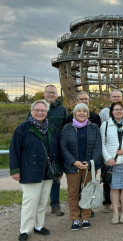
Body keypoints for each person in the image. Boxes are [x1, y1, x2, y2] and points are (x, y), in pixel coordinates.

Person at [10, 100, 62, 241]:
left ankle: (39, 225)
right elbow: (14, 150)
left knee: (43, 201)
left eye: (43, 110)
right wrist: (15, 170)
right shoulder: (23, 128)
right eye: (37, 110)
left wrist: (59, 171)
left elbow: (57, 150)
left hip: (47, 171)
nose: (40, 113)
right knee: (30, 201)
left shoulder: (52, 129)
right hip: (29, 170)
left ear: (47, 112)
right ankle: (25, 229)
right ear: (32, 111)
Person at [61, 103, 102, 231]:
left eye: (84, 111)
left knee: (88, 192)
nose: (81, 113)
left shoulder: (94, 127)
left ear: (87, 114)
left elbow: (98, 146)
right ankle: (75, 218)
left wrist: (90, 163)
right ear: (74, 113)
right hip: (73, 166)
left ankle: (85, 217)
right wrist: (74, 162)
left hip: (89, 166)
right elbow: (63, 147)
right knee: (73, 193)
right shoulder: (67, 128)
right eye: (79, 111)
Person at [27, 85, 67, 216]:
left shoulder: (62, 109)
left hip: (54, 147)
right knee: (38, 177)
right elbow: (28, 125)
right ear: (44, 94)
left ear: (56, 95)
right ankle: (38, 205)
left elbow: (65, 127)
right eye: (49, 92)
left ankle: (55, 204)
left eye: (53, 93)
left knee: (54, 176)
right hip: (38, 147)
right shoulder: (38, 108)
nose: (51, 95)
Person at [99, 89, 123, 207]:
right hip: (109, 150)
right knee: (108, 177)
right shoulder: (104, 112)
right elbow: (102, 131)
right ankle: (108, 201)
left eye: (118, 96)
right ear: (110, 98)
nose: (116, 98)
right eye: (114, 97)